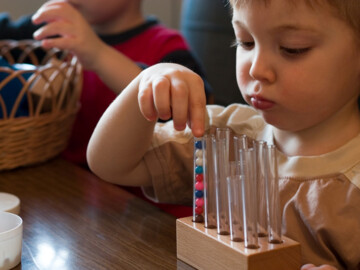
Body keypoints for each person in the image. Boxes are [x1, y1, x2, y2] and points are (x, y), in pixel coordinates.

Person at [86, 0, 360, 269]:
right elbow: (109, 164)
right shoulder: (222, 136)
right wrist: (146, 81)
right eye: (246, 42)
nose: (256, 69)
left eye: (292, 49)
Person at [0, 0, 212, 166]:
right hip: (66, 186)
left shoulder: (165, 45)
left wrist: (98, 54)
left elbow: (199, 111)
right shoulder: (55, 30)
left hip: (135, 199)